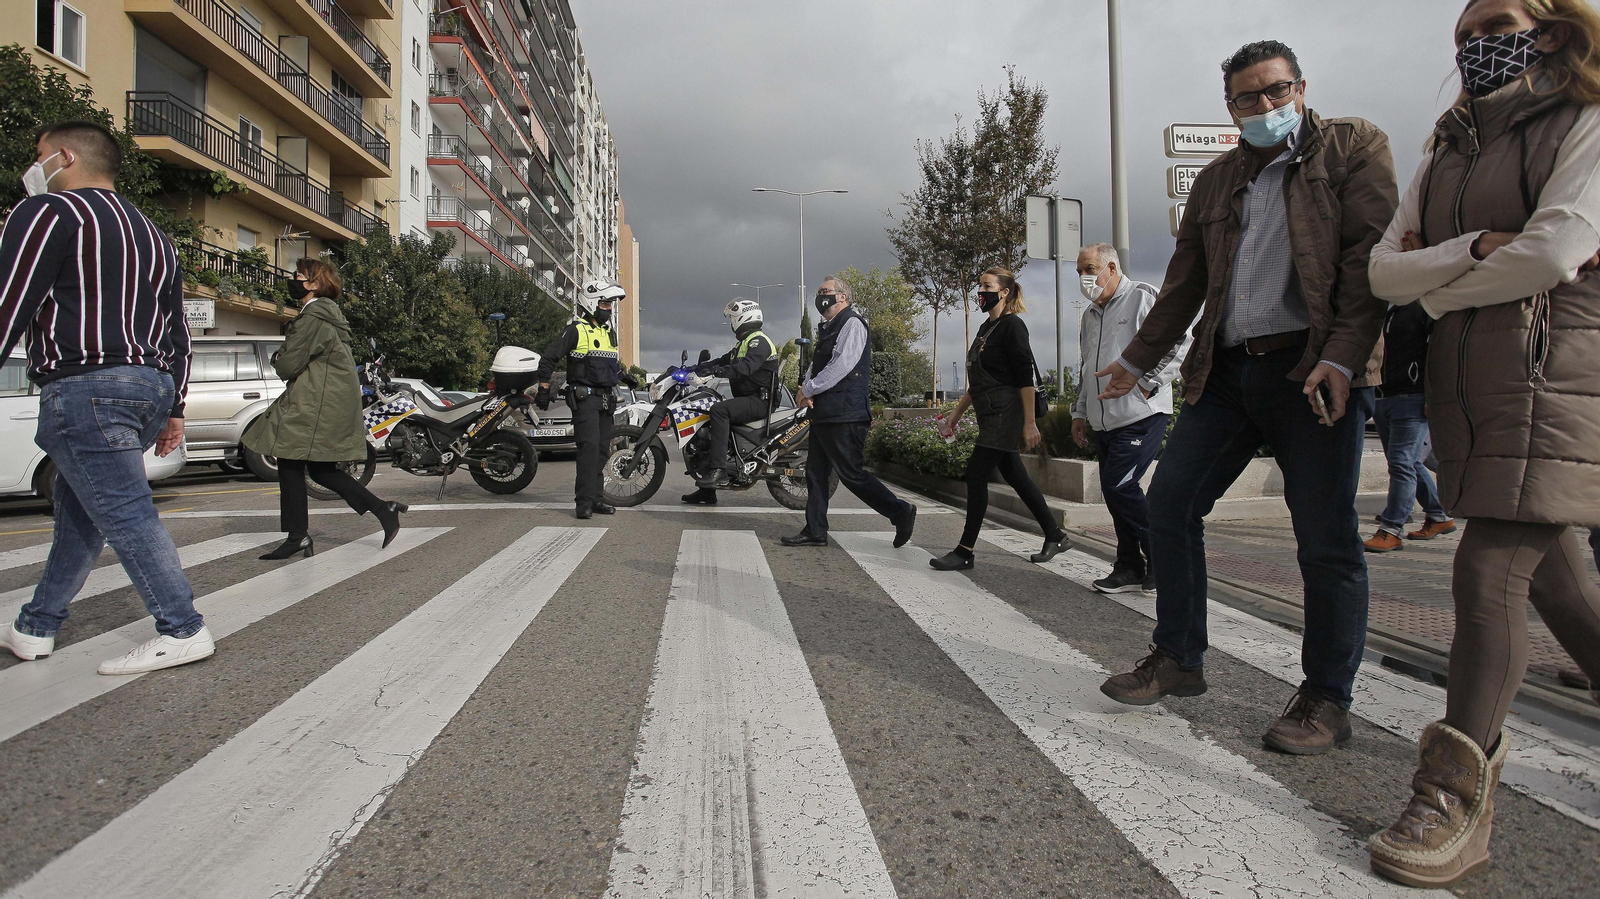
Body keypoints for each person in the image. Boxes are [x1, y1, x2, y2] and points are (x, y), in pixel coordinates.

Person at [1094, 40, 1397, 757]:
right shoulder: (1219, 179)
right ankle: (1179, 657)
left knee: (1324, 537)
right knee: (1169, 503)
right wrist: (1134, 360)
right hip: (1227, 370)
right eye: (1247, 98)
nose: (1265, 107)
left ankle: (1327, 697)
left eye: (1276, 91)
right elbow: (1185, 281)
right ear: (1227, 107)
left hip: (1313, 366)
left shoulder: (1353, 147)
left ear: (1300, 86)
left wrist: (1343, 357)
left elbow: (1367, 265)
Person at [1364, 0, 1600, 886]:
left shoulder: (1586, 118)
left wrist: (1436, 288)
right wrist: (1469, 250)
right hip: (1477, 382)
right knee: (1563, 582)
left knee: (1490, 568)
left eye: (1496, 21)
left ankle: (1453, 798)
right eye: (1463, 33)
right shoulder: (1447, 143)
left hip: (1564, 372)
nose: (1475, 43)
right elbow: (1385, 266)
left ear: (1554, 24)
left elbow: (1557, 249)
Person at [0, 121, 213, 676]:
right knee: (81, 513)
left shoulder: (47, 214)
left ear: (64, 157)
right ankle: (36, 625)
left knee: (122, 510)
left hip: (87, 384)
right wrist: (175, 408)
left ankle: (182, 626)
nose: (35, 166)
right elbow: (177, 333)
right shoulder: (155, 236)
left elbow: (10, 300)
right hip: (149, 385)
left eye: (39, 155)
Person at [242, 259, 406, 560]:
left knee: (291, 461)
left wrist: (277, 359)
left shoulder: (313, 318)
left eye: (298, 276)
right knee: (319, 469)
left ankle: (298, 536)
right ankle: (382, 510)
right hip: (324, 400)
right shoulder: (326, 316)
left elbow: (289, 364)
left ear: (314, 284)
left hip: (315, 402)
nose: (292, 280)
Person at [929, 267, 1071, 571]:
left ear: (1004, 292)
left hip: (1006, 414)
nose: (981, 291)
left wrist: (1029, 423)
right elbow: (976, 383)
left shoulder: (1013, 327)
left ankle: (965, 550)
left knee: (976, 473)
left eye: (987, 286)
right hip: (989, 412)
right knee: (1016, 476)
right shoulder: (984, 329)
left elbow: (1025, 379)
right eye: (980, 285)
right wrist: (954, 417)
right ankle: (1055, 533)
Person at [1070, 243, 1189, 592]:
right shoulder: (1089, 315)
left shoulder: (1142, 297)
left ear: (1111, 267)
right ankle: (1130, 566)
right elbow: (1086, 368)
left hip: (1141, 413)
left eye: (1089, 268)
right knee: (1114, 492)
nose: (1083, 277)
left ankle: (1162, 559)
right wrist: (1080, 412)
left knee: (1120, 487)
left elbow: (1180, 342)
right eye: (1078, 271)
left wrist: (1149, 383)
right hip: (1104, 419)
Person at [781, 276, 916, 548]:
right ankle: (816, 530)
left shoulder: (852, 323)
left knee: (852, 474)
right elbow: (819, 364)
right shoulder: (828, 328)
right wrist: (804, 387)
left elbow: (841, 365)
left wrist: (810, 388)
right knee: (815, 473)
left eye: (826, 291)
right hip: (825, 413)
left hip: (845, 414)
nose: (821, 296)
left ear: (842, 297)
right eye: (819, 292)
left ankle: (900, 511)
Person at [536, 279, 638, 519]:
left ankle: (597, 498)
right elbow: (548, 358)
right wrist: (543, 387)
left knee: (603, 450)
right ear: (591, 303)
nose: (608, 308)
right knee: (589, 449)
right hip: (585, 400)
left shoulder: (608, 333)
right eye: (604, 303)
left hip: (606, 400)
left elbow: (607, 366)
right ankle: (583, 502)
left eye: (610, 304)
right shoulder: (576, 329)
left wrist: (625, 376)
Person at [1362, 300, 1456, 552]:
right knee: (1408, 461)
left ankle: (1392, 529)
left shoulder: (1425, 308)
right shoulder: (1383, 309)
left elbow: (1442, 355)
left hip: (1412, 398)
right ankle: (1439, 516)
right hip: (1383, 395)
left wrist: (1433, 396)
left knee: (1402, 462)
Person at [682, 298, 781, 502]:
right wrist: (694, 368)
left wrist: (717, 372)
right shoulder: (742, 344)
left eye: (733, 319)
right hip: (749, 399)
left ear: (743, 318)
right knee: (709, 417)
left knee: (720, 410)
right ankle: (707, 491)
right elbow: (720, 361)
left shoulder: (758, 342)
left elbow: (746, 367)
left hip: (760, 401)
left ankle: (719, 470)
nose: (731, 324)